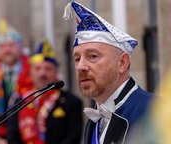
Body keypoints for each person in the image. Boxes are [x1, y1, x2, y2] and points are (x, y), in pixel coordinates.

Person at [63, 1, 154, 144]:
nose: (80, 66)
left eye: (93, 56)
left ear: (122, 63)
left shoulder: (152, 112)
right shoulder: (95, 119)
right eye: (77, 58)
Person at [7, 40, 83, 144]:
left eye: (48, 69)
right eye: (37, 68)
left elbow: (73, 138)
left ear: (56, 72)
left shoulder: (71, 102)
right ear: (30, 72)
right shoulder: (20, 101)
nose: (42, 73)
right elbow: (12, 136)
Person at [0, 19, 32, 144]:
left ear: (20, 46)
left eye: (11, 45)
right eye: (3, 46)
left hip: (24, 136)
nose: (7, 50)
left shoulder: (32, 73)